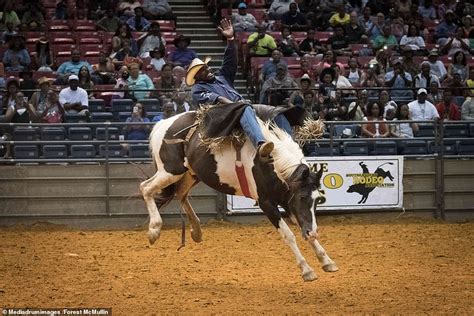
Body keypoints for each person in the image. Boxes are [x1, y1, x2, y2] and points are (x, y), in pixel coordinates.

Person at [186, 19, 295, 159]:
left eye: (206, 67)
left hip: (242, 107)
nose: (208, 69)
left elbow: (230, 61)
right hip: (223, 116)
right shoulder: (197, 88)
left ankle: (290, 146)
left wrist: (230, 39)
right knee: (244, 108)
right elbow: (218, 99)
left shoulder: (221, 77)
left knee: (277, 111)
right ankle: (260, 144)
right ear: (197, 76)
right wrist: (237, 105)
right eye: (203, 70)